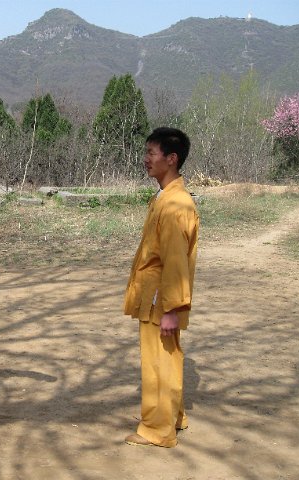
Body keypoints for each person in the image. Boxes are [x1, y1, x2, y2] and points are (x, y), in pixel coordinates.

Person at [123, 127, 199, 448]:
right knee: (169, 357)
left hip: (161, 300)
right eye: (146, 153)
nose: (146, 160)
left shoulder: (175, 205)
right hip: (158, 296)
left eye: (152, 154)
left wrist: (172, 308)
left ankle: (158, 429)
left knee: (158, 363)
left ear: (172, 158)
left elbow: (175, 262)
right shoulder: (166, 197)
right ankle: (173, 416)